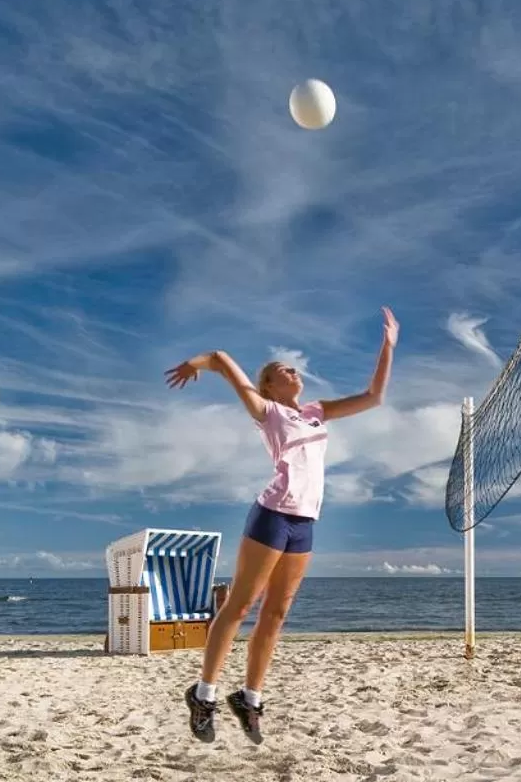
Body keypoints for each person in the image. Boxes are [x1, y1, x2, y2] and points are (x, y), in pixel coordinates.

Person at [163, 307, 399, 744]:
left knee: (278, 612)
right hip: (271, 515)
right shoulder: (267, 410)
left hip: (305, 521)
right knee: (241, 604)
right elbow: (219, 357)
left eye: (293, 367)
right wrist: (193, 364)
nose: (292, 369)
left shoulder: (315, 412)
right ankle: (203, 694)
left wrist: (388, 345)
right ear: (269, 384)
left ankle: (249, 699)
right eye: (280, 369)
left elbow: (373, 397)